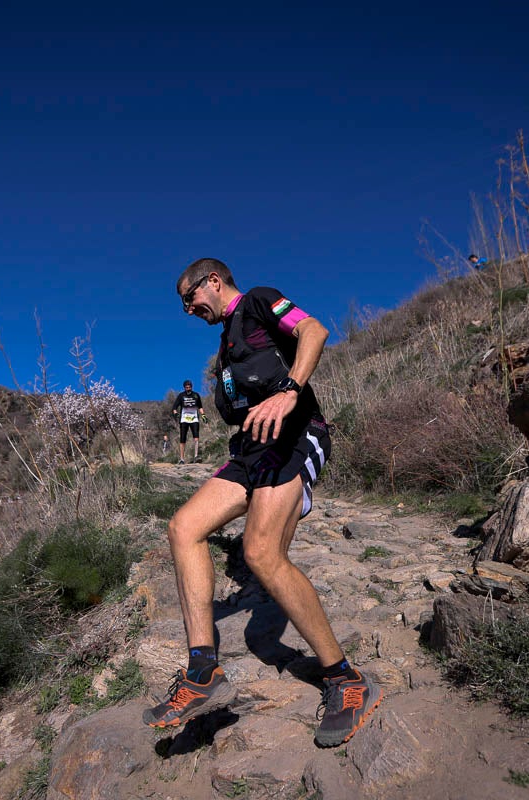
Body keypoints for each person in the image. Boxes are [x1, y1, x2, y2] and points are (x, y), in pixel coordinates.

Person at [143, 257, 382, 748]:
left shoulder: (258, 301)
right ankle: (203, 671)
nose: (187, 310)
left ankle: (345, 678)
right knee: (183, 528)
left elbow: (314, 330)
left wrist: (291, 389)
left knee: (261, 553)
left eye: (189, 298)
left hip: (294, 437)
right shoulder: (226, 344)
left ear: (212, 281)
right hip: (250, 453)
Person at [171, 380, 206, 463]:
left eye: (189, 387)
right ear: (184, 388)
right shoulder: (181, 396)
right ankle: (182, 459)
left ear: (191, 387)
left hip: (194, 419)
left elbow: (200, 407)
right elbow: (174, 407)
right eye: (186, 387)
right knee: (182, 439)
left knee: (196, 437)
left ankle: (196, 456)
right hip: (184, 419)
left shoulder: (196, 395)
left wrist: (203, 415)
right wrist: (176, 414)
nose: (188, 388)